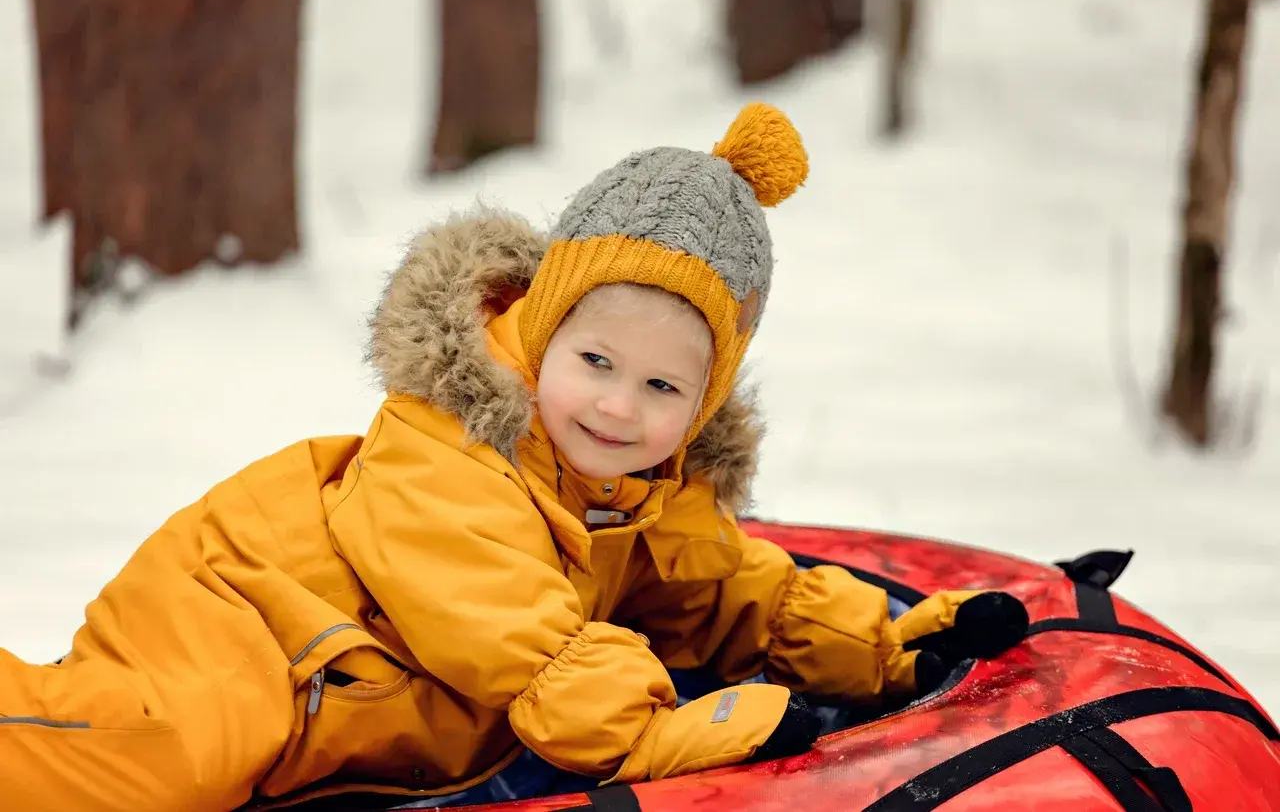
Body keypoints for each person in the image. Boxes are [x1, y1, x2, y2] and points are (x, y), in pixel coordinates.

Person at [0, 103, 1028, 811]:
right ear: (538, 333)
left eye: (664, 387)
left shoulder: (642, 492)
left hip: (351, 684)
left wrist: (889, 652)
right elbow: (525, 646)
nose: (619, 407)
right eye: (595, 361)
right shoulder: (448, 452)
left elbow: (730, 590)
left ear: (704, 399)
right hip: (256, 622)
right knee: (152, 768)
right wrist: (664, 731)